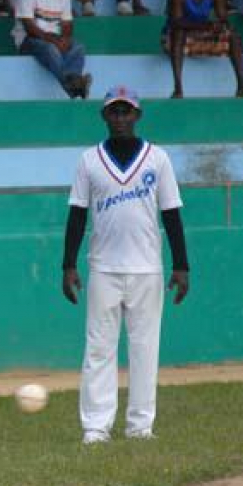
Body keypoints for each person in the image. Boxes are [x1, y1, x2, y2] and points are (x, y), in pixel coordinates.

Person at [62, 86, 190, 445]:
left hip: (148, 267)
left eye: (126, 112)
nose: (120, 118)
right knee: (99, 348)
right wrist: (68, 265)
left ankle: (140, 426)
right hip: (103, 267)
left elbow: (172, 214)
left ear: (137, 115)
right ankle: (96, 427)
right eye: (114, 112)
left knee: (145, 347)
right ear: (104, 116)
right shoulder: (89, 160)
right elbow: (76, 214)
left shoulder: (157, 158)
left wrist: (181, 265)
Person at [12, 0, 92, 99]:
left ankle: (73, 83)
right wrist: (53, 41)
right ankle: (74, 84)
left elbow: (67, 24)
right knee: (51, 49)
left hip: (54, 38)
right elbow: (29, 27)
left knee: (78, 47)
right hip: (28, 40)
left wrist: (65, 40)